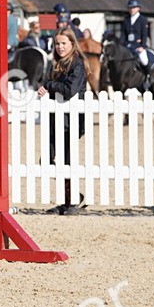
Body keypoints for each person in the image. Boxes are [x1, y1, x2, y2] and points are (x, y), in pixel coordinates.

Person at [38, 27, 88, 214]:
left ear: (72, 44)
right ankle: (71, 197)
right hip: (56, 120)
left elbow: (69, 90)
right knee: (47, 160)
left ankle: (71, 202)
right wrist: (45, 88)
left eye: (63, 43)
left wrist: (49, 85)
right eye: (57, 43)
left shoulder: (77, 64)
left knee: (68, 161)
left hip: (72, 121)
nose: (59, 47)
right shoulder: (55, 64)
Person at [121, 0, 149, 67]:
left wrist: (142, 46)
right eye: (130, 8)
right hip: (127, 45)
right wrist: (121, 45)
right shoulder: (126, 19)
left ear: (138, 8)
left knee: (144, 61)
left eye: (134, 8)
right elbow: (123, 34)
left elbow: (144, 34)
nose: (132, 10)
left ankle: (149, 75)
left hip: (138, 46)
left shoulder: (143, 19)